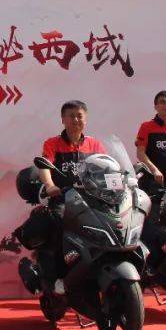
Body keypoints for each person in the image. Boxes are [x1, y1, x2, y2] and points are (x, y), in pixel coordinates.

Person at [15, 100, 107, 293]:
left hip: (91, 200)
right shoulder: (53, 143)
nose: (76, 120)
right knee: (59, 226)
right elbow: (44, 166)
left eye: (79, 116)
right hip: (63, 199)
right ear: (63, 120)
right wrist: (49, 186)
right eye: (71, 116)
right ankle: (57, 276)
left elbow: (107, 167)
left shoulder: (95, 144)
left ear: (86, 119)